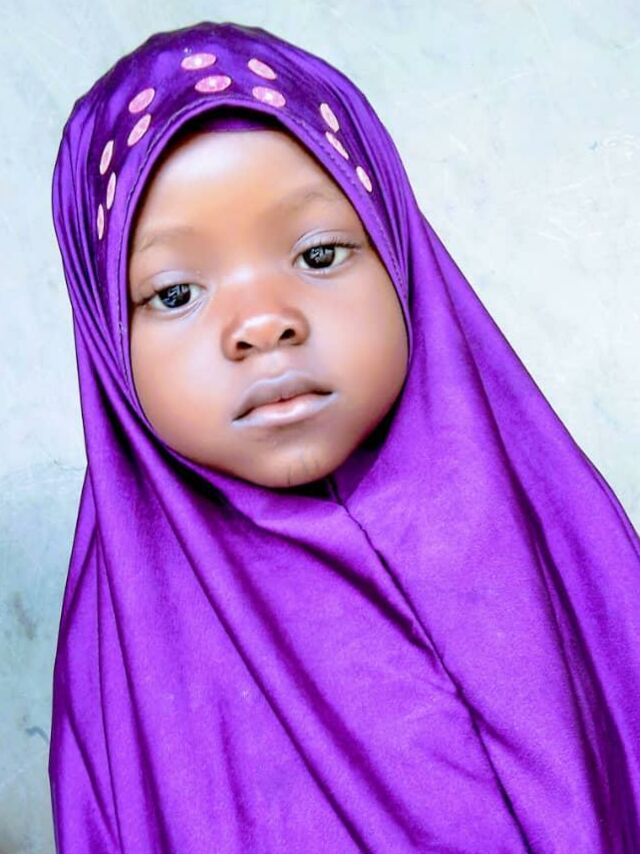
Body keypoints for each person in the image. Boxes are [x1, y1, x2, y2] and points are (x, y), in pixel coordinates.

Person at [49, 20, 640, 852]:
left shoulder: (563, 536)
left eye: (320, 254)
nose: (263, 323)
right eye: (176, 293)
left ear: (399, 250)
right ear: (109, 341)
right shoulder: (122, 667)